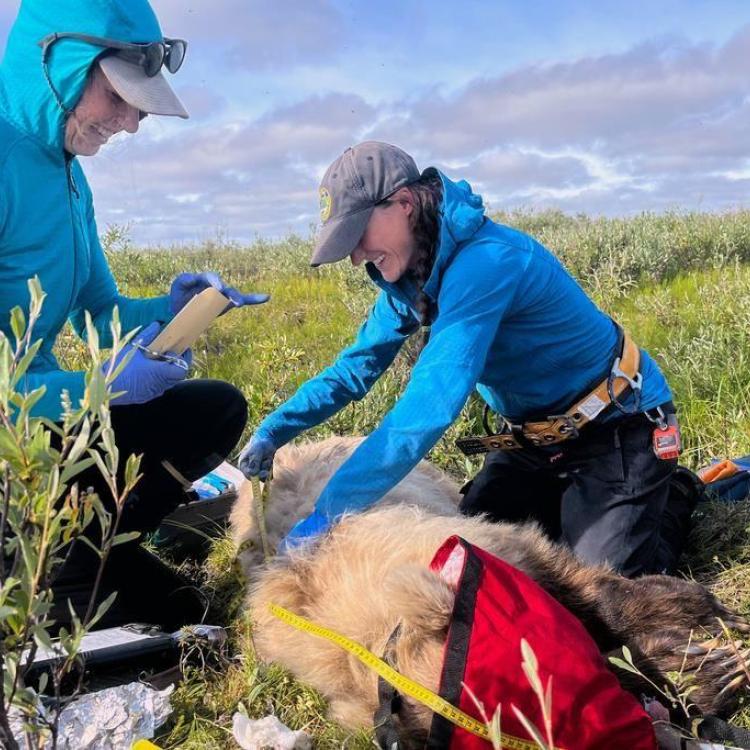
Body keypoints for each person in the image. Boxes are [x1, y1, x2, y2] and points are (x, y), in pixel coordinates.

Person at [240, 140, 694, 578]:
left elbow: (430, 404)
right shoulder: (409, 279)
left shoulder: (489, 263)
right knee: (473, 561)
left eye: (357, 234)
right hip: (533, 441)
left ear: (403, 204)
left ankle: (670, 493)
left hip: (616, 427)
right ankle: (584, 503)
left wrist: (330, 510)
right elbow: (352, 372)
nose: (357, 257)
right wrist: (273, 431)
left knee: (597, 586)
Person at [0, 0, 267, 629]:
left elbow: (100, 314)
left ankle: (83, 548)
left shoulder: (67, 174)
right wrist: (105, 388)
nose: (131, 123)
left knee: (215, 408)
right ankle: (36, 561)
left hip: (39, 426)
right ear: (57, 64)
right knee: (184, 614)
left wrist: (173, 311)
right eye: (117, 96)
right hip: (14, 444)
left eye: (139, 104)